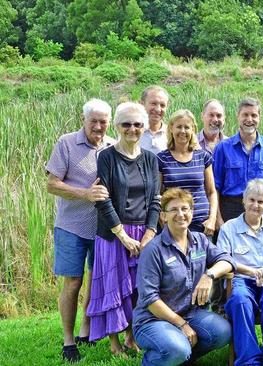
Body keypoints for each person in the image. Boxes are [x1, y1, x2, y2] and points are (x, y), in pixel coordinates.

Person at [88, 101, 161, 356]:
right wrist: (121, 235)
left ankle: (131, 337)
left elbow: (155, 200)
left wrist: (150, 234)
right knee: (113, 287)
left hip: (143, 235)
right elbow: (102, 199)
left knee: (137, 289)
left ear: (145, 127)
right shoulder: (106, 157)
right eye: (127, 124)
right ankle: (114, 343)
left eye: (138, 124)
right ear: (117, 126)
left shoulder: (151, 159)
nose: (133, 129)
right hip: (112, 234)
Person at [45, 98, 115, 362]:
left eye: (103, 121)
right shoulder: (66, 143)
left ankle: (86, 329)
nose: (98, 126)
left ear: (109, 122)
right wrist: (85, 194)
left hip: (102, 228)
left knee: (96, 278)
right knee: (73, 282)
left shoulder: (112, 146)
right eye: (93, 121)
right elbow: (52, 184)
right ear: (84, 120)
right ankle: (68, 340)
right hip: (71, 226)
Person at [133, 188, 234, 365]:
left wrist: (209, 275)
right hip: (153, 319)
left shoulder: (200, 240)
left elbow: (226, 260)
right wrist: (181, 324)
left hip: (191, 313)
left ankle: (183, 359)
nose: (180, 214)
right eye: (174, 210)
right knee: (178, 349)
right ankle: (154, 360)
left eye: (185, 209)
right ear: (163, 216)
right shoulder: (153, 250)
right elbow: (150, 299)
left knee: (223, 332)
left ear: (192, 212)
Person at [217, 179, 263, 366]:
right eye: (252, 200)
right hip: (241, 279)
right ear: (244, 200)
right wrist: (251, 271)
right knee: (239, 300)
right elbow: (223, 259)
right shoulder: (229, 228)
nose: (256, 205)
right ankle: (249, 360)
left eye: (261, 201)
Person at [212, 98, 263, 223]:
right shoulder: (222, 148)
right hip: (230, 210)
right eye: (245, 115)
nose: (249, 119)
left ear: (259, 118)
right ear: (238, 116)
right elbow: (215, 187)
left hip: (262, 209)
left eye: (254, 115)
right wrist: (218, 219)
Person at [157, 109, 218, 238]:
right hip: (175, 224)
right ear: (171, 129)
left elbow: (212, 192)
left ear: (193, 130)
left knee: (201, 258)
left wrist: (212, 219)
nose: (183, 131)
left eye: (187, 127)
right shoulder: (161, 159)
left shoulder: (203, 157)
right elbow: (157, 194)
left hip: (202, 225)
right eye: (179, 127)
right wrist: (161, 217)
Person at [139, 85, 170, 154]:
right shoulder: (131, 133)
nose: (158, 109)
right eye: (153, 104)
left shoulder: (172, 134)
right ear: (141, 104)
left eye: (162, 105)